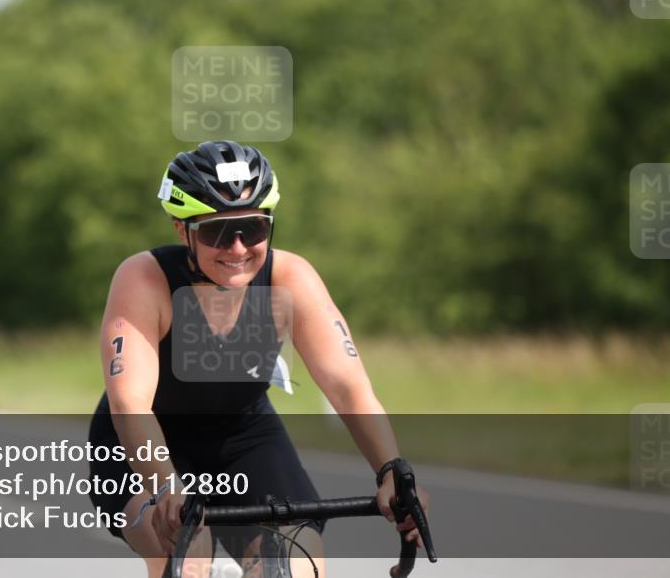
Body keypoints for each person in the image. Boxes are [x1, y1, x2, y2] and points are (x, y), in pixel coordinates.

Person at [88, 141, 429, 578]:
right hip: (146, 442)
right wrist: (165, 485)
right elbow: (130, 403)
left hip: (243, 436)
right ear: (182, 229)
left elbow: (348, 386)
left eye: (252, 229)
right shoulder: (144, 278)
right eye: (216, 232)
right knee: (188, 557)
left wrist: (390, 469)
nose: (237, 248)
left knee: (294, 561)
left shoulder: (290, 277)